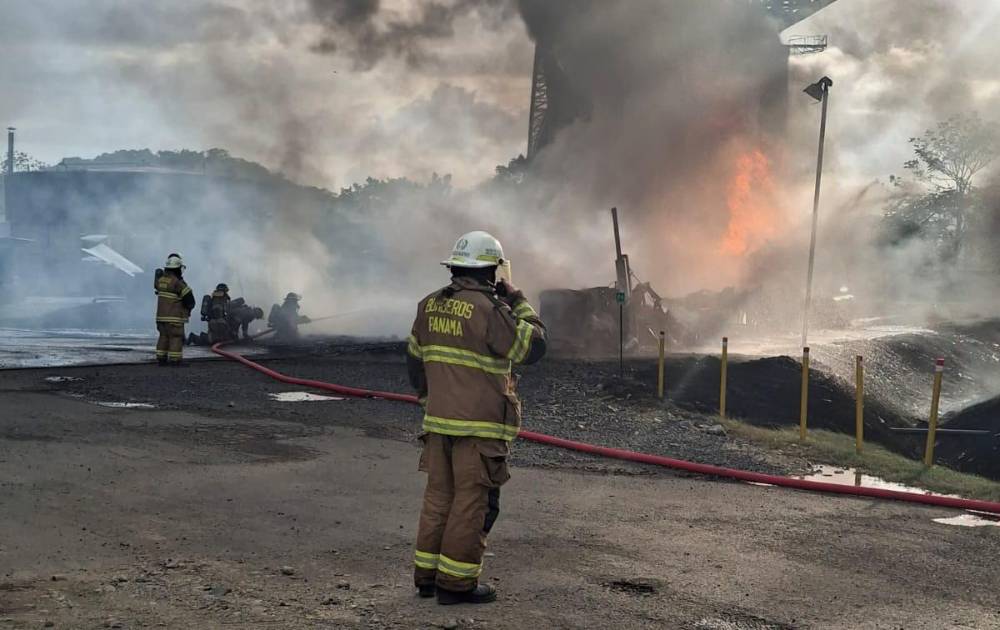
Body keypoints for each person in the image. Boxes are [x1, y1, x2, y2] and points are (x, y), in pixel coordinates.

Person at [407, 231, 546, 605]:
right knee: (473, 504)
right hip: (479, 429)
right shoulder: (490, 311)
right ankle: (456, 585)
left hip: (438, 424)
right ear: (491, 271)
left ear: (454, 267)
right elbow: (534, 346)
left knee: (439, 499)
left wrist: (431, 403)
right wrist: (519, 302)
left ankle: (427, 578)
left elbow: (415, 363)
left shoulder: (428, 305)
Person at [154, 253, 195, 365]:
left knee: (163, 337)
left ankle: (161, 359)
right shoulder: (177, 283)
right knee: (176, 337)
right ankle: (175, 360)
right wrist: (189, 308)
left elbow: (157, 287)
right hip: (174, 318)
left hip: (161, 318)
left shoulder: (161, 281)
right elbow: (189, 299)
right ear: (177, 268)